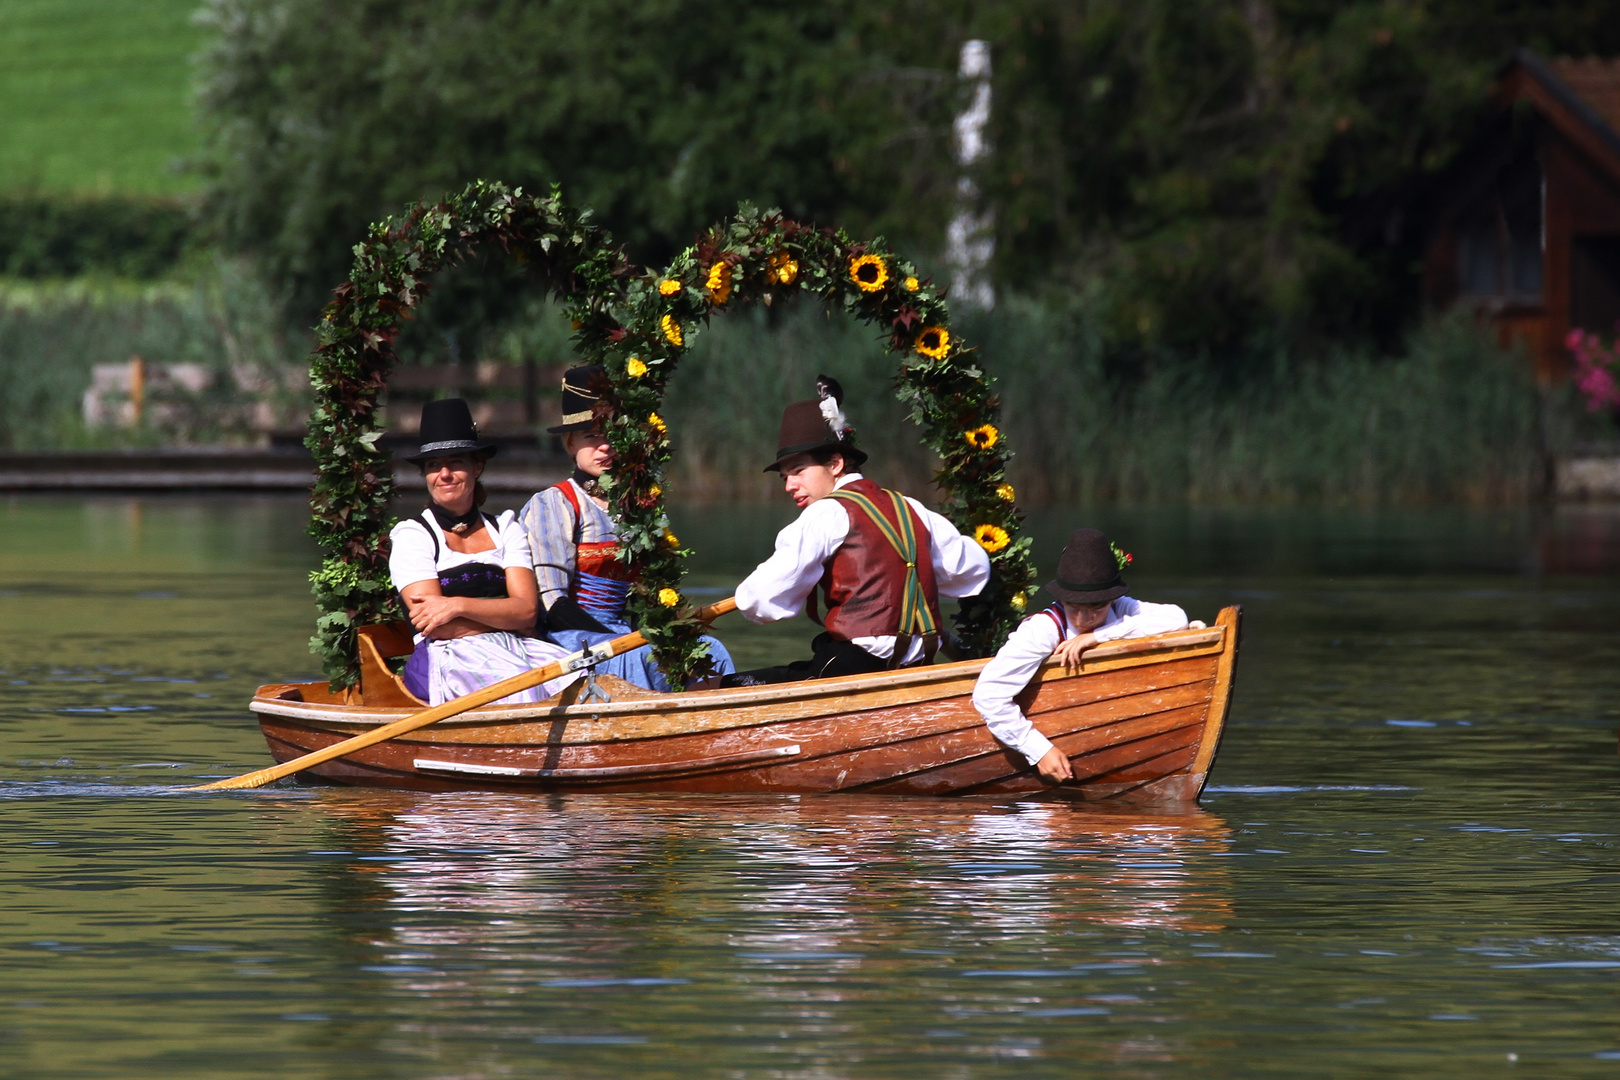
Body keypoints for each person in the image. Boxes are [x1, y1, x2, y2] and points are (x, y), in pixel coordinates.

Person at [722, 376, 991, 686]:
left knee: (720, 686)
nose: (789, 486)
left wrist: (747, 597)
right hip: (915, 665)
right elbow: (973, 569)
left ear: (835, 464)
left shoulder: (825, 513)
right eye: (784, 477)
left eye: (798, 472)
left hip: (853, 668)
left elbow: (765, 598)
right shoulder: (911, 507)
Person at [518, 365, 734, 690]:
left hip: (623, 631)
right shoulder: (555, 503)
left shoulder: (635, 505)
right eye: (591, 436)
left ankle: (717, 725)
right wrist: (620, 641)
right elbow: (552, 603)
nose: (604, 446)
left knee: (710, 651)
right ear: (570, 444)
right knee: (645, 653)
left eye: (611, 435)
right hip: (570, 637)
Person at [388, 398, 576, 706]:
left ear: (477, 466)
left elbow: (528, 614)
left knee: (580, 676)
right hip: (449, 657)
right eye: (434, 465)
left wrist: (457, 605)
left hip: (519, 645)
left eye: (456, 462)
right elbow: (435, 626)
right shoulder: (413, 536)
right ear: (425, 474)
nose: (444, 474)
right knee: (516, 686)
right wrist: (504, 614)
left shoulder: (506, 528)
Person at [972, 528, 1190, 784]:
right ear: (1061, 599)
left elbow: (1177, 619)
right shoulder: (1043, 630)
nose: (1084, 620)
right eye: (1074, 608)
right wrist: (1039, 751)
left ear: (1112, 599)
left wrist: (1099, 636)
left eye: (1097, 607)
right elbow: (987, 695)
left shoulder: (1122, 608)